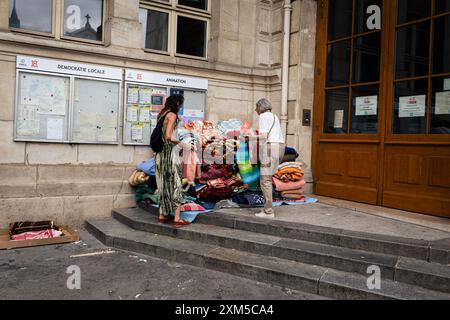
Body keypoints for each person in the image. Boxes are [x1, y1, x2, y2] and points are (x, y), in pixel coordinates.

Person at [154, 94, 190, 226]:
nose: (180, 107)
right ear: (177, 104)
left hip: (160, 155)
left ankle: (162, 215)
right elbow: (169, 136)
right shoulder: (172, 115)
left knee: (163, 184)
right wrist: (183, 144)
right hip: (169, 154)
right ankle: (177, 218)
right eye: (180, 104)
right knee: (176, 184)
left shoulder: (162, 114)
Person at [254, 98, 285, 218]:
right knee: (268, 178)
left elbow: (263, 136)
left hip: (271, 147)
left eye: (256, 107)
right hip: (280, 147)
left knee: (265, 180)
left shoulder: (263, 116)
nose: (255, 110)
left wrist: (249, 136)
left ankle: (268, 212)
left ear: (260, 107)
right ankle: (267, 208)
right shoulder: (274, 116)